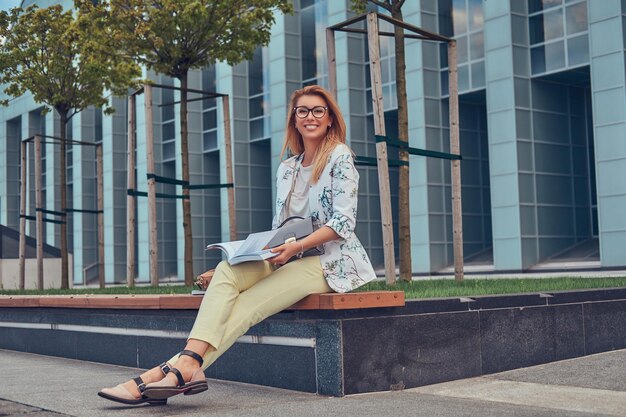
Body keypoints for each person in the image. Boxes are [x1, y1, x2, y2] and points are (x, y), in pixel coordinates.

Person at [98, 85, 376, 405]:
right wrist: (248, 257)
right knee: (227, 271)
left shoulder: (339, 155)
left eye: (318, 111)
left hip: (330, 262)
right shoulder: (287, 169)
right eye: (303, 111)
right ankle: (185, 368)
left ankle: (157, 376)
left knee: (246, 305)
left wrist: (296, 248)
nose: (310, 116)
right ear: (294, 120)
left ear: (329, 119)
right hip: (286, 253)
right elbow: (280, 229)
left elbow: (343, 223)